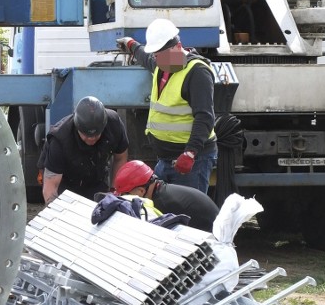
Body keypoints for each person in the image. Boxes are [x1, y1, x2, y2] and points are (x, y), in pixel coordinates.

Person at [116, 18, 217, 194]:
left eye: (158, 55)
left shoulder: (197, 72)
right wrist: (131, 45)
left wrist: (190, 153)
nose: (155, 59)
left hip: (191, 162)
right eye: (155, 55)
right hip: (165, 160)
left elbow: (205, 117)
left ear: (176, 48)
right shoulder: (163, 64)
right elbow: (145, 57)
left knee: (190, 216)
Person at [40, 96, 129, 205]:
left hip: (95, 176)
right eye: (86, 135)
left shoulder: (113, 124)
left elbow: (120, 158)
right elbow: (50, 187)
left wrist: (114, 192)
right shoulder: (60, 139)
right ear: (77, 128)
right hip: (65, 182)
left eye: (96, 135)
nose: (91, 138)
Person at [113, 159, 219, 232]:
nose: (125, 198)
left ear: (141, 191)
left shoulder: (163, 203)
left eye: (126, 194)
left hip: (211, 239)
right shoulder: (160, 190)